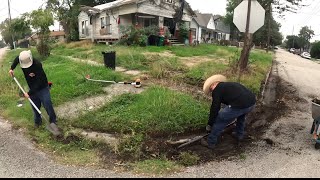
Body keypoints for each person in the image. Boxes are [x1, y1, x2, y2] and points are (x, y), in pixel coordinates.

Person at [201, 74, 256, 149]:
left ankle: (210, 142)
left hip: (240, 104)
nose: (211, 91)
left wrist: (210, 124)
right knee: (241, 117)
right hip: (251, 103)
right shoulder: (229, 85)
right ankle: (239, 134)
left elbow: (215, 108)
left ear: (214, 84)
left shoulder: (217, 90)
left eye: (210, 89)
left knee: (220, 119)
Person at [9, 50, 57, 129]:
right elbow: (17, 59)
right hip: (32, 87)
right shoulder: (22, 58)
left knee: (47, 104)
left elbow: (39, 83)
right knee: (35, 106)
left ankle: (53, 121)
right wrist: (11, 68)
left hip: (42, 87)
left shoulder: (37, 65)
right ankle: (38, 122)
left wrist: (29, 93)